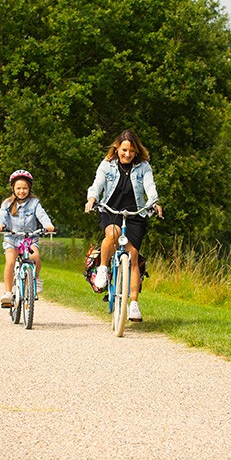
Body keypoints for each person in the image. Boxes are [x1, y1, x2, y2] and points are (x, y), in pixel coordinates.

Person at [84, 129, 162, 322]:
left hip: (135, 214)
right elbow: (98, 183)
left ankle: (133, 304)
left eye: (132, 151)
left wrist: (154, 202)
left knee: (133, 255)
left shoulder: (144, 167)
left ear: (137, 151)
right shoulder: (107, 165)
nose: (128, 154)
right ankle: (103, 269)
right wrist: (92, 199)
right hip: (110, 211)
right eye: (124, 150)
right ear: (117, 148)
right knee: (112, 234)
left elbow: (150, 187)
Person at [0, 169, 55, 308]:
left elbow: (42, 215)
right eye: (19, 188)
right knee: (10, 261)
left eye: (25, 188)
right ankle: (8, 293)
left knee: (36, 258)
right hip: (12, 238)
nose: (22, 191)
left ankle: (33, 281)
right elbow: (1, 217)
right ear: (13, 189)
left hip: (29, 239)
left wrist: (48, 225)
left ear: (29, 188)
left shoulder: (34, 203)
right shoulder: (7, 204)